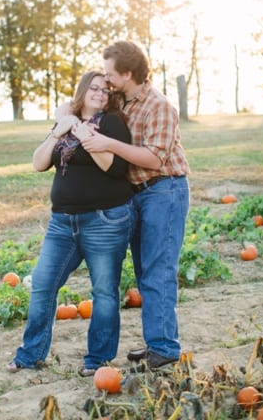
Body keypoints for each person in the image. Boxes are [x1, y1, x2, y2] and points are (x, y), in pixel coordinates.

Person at [6, 71, 134, 376]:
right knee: (42, 285)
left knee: (104, 291)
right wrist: (57, 131)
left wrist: (78, 128)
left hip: (104, 220)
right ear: (82, 91)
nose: (100, 93)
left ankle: (97, 361)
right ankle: (30, 355)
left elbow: (114, 169)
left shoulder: (112, 123)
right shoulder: (64, 122)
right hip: (62, 223)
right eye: (94, 88)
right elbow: (39, 163)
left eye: (105, 90)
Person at [80, 40, 190, 370]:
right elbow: (83, 100)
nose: (107, 79)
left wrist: (107, 143)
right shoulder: (122, 100)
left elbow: (154, 158)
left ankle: (165, 347)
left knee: (158, 270)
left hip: (164, 190)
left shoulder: (159, 106)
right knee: (145, 271)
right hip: (136, 193)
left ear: (128, 73)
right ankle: (158, 342)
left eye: (112, 73)